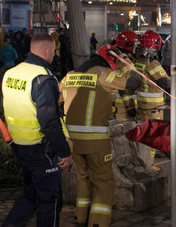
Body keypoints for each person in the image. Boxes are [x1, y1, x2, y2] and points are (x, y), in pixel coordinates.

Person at [61, 45, 141, 227]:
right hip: (95, 140)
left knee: (83, 177)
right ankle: (98, 222)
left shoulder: (70, 75)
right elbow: (134, 81)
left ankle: (80, 218)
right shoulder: (103, 73)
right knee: (103, 182)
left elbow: (57, 99)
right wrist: (125, 61)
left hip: (73, 140)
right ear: (111, 60)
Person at [1, 33, 72, 227]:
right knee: (50, 200)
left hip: (19, 145)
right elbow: (49, 121)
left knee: (31, 194)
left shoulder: (12, 73)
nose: (55, 54)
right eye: (54, 51)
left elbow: (6, 105)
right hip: (41, 149)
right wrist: (64, 152)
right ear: (47, 51)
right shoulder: (43, 79)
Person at [134, 30, 171, 172]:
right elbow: (166, 83)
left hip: (142, 105)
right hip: (153, 107)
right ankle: (149, 165)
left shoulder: (139, 62)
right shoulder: (153, 64)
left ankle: (144, 162)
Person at [112, 31, 140, 122]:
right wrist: (129, 107)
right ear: (129, 45)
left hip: (119, 105)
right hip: (122, 108)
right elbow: (122, 87)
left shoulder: (117, 58)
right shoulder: (123, 61)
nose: (136, 47)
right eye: (134, 44)